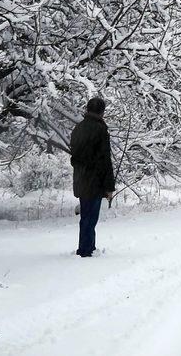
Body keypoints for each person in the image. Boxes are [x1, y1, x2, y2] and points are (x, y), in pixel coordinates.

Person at [70, 97, 115, 258]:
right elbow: (105, 160)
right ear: (102, 112)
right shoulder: (100, 130)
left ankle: (87, 247)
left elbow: (74, 157)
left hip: (81, 180)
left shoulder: (78, 128)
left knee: (85, 216)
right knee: (91, 217)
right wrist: (109, 186)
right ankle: (86, 250)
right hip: (95, 181)